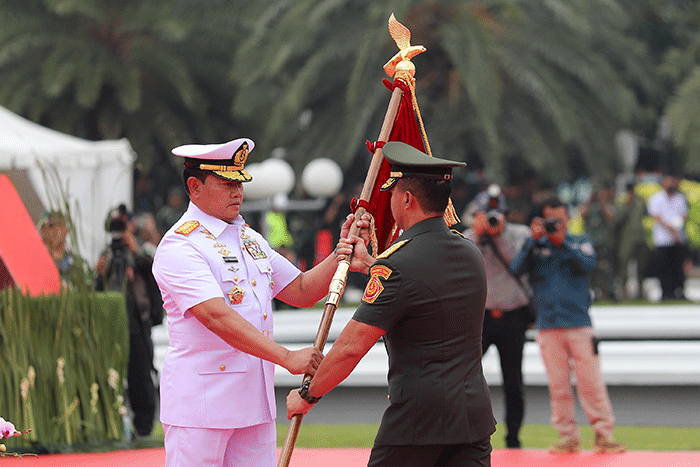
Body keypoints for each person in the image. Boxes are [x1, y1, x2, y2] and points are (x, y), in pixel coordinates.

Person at [287, 142, 496, 467]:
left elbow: (351, 347)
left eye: (393, 192)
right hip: (472, 417)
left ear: (407, 199)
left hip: (418, 423)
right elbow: (425, 292)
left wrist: (307, 394)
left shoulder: (397, 265)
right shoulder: (469, 252)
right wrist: (372, 263)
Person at [152, 138, 352, 467]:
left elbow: (301, 289)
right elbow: (216, 317)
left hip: (253, 405)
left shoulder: (249, 238)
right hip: (202, 408)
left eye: (240, 182)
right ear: (194, 186)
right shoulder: (181, 245)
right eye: (227, 183)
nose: (237, 192)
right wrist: (287, 357)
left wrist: (340, 254)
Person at [510, 196, 625, 454]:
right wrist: (532, 240)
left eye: (559, 220)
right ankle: (568, 436)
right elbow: (515, 270)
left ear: (568, 218)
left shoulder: (580, 241)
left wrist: (562, 244)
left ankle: (604, 434)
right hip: (548, 325)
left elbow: (588, 265)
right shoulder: (534, 246)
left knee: (591, 382)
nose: (555, 225)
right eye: (550, 220)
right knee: (558, 385)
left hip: (578, 323)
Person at [464, 184, 532, 449]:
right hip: (479, 319)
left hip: (513, 316)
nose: (493, 220)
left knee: (513, 381)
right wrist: (481, 236)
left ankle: (513, 438)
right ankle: (465, 434)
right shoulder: (468, 237)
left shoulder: (519, 234)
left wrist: (499, 236)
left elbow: (519, 265)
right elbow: (467, 267)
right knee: (465, 376)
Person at [95, 204, 160, 439]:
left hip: (137, 324)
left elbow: (157, 273)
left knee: (141, 376)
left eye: (122, 226)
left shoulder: (142, 251)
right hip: (112, 326)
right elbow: (97, 290)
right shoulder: (106, 255)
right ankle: (112, 425)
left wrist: (136, 251)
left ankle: (143, 428)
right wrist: (99, 273)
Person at [647, 173, 689, 300]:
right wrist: (671, 229)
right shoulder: (656, 198)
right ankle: (666, 293)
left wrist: (676, 228)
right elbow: (656, 216)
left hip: (678, 240)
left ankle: (679, 292)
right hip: (662, 240)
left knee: (677, 267)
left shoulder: (680, 198)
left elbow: (684, 215)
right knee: (663, 268)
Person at [579, 182, 617, 301]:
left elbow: (610, 216)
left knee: (606, 268)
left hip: (604, 243)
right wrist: (589, 199)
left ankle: (608, 291)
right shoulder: (588, 206)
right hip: (590, 242)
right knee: (590, 268)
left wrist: (602, 200)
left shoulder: (607, 205)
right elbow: (581, 214)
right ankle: (592, 292)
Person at [613, 181, 650, 299]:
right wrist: (626, 206)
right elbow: (617, 220)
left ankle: (640, 292)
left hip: (640, 238)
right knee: (624, 265)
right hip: (626, 239)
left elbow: (646, 214)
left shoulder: (640, 201)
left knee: (642, 265)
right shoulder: (621, 202)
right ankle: (623, 291)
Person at [38, 211, 75, 284]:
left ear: (67, 230)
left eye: (60, 225)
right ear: (43, 231)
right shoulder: (36, 263)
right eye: (51, 225)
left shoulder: (78, 264)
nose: (56, 230)